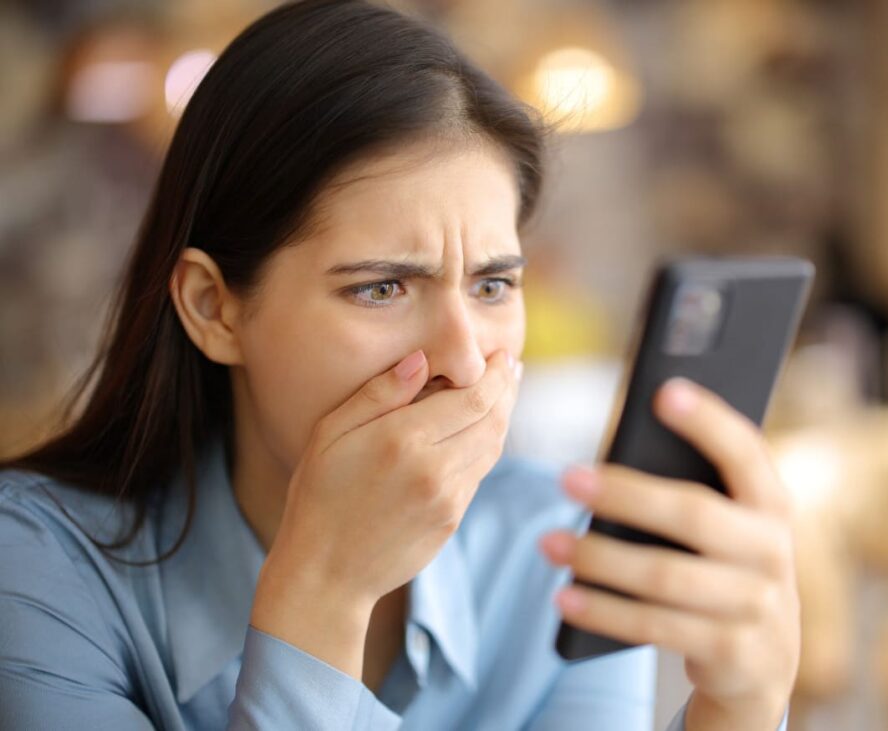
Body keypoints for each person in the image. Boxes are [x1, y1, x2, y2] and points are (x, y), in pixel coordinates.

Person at [0, 1, 799, 728]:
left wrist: (739, 706)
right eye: (380, 286)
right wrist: (323, 592)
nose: (463, 359)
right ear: (214, 307)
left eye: (493, 283)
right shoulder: (37, 566)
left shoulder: (550, 550)